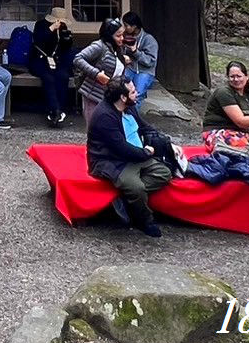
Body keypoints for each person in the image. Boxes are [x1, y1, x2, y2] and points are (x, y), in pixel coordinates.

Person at [86, 79, 174, 237]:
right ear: (123, 97)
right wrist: (146, 152)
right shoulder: (104, 116)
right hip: (113, 161)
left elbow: (145, 126)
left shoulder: (129, 108)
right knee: (136, 188)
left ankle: (123, 200)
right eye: (133, 92)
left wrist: (165, 143)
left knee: (164, 173)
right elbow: (121, 148)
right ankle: (144, 220)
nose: (137, 93)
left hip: (136, 155)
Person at [201, 60, 249, 169]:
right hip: (218, 132)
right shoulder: (224, 92)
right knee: (247, 153)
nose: (235, 80)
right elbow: (240, 121)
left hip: (241, 134)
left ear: (246, 77)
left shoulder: (248, 92)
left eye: (239, 76)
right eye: (232, 77)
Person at [73, 17, 132, 126]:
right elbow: (78, 59)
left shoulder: (117, 48)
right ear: (109, 36)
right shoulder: (99, 46)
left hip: (110, 96)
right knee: (95, 129)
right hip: (94, 95)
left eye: (122, 35)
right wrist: (97, 74)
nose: (121, 38)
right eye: (118, 36)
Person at [29, 13, 74, 126]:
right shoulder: (40, 25)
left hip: (56, 61)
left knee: (63, 76)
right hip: (40, 59)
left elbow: (65, 48)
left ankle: (60, 108)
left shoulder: (63, 27)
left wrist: (66, 39)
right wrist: (51, 29)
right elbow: (38, 40)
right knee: (48, 78)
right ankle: (54, 110)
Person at [122, 12, 159, 100]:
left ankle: (133, 113)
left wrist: (135, 51)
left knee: (136, 95)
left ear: (134, 26)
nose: (125, 28)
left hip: (145, 71)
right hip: (130, 68)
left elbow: (149, 61)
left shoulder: (149, 40)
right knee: (121, 89)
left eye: (126, 26)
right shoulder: (125, 36)